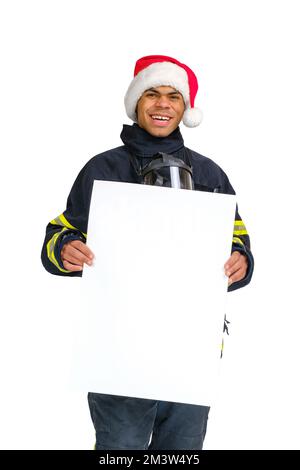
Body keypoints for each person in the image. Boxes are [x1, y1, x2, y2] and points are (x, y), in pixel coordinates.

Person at [41, 55, 254, 450]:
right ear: (137, 103)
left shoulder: (210, 174)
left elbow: (236, 239)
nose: (162, 104)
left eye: (173, 96)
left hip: (191, 345)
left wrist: (241, 259)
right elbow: (58, 236)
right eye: (152, 94)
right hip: (119, 347)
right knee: (120, 451)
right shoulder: (102, 168)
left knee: (180, 452)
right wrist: (65, 250)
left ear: (184, 108)